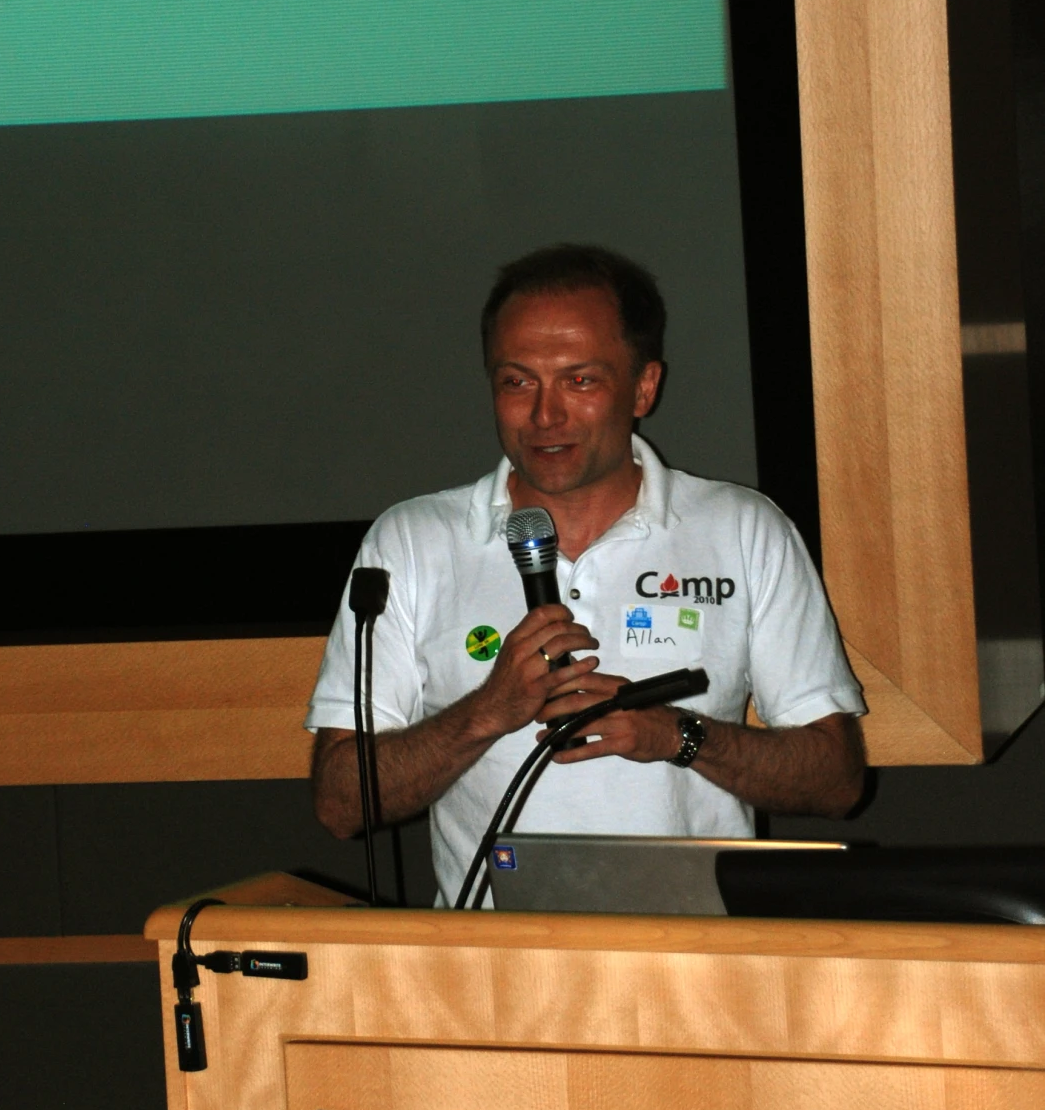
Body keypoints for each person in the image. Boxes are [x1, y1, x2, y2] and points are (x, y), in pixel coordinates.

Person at [308, 243, 866, 906]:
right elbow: (340, 803)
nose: (545, 415)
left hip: (696, 974)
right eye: (517, 381)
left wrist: (675, 735)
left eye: (580, 380)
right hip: (491, 981)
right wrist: (488, 711)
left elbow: (838, 780)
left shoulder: (742, 528)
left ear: (645, 387)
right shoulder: (411, 541)